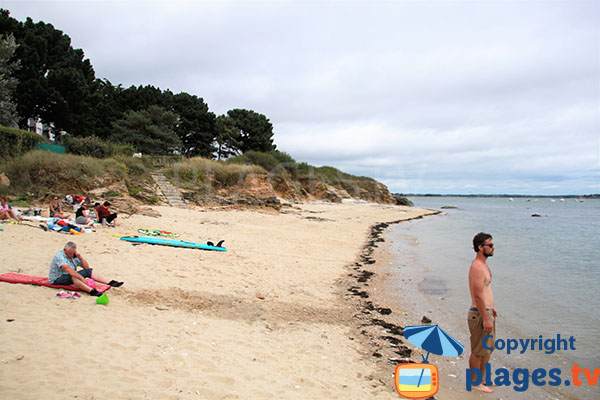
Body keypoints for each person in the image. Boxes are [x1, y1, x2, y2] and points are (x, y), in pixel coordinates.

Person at [468, 232, 497, 393]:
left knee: (487, 349)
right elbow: (478, 295)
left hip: (486, 312)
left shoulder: (483, 265)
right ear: (480, 247)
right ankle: (474, 382)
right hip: (479, 314)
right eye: (490, 245)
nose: (493, 248)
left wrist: (491, 308)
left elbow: (485, 291)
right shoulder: (477, 267)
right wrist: (485, 317)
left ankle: (483, 378)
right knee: (478, 350)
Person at [49, 241, 123, 296]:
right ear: (65, 250)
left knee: (88, 271)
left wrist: (80, 258)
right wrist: (82, 278)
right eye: (70, 253)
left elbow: (86, 267)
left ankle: (109, 282)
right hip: (57, 279)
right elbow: (69, 270)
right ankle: (91, 291)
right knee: (74, 276)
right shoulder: (60, 257)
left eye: (73, 253)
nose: (71, 255)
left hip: (68, 276)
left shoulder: (73, 256)